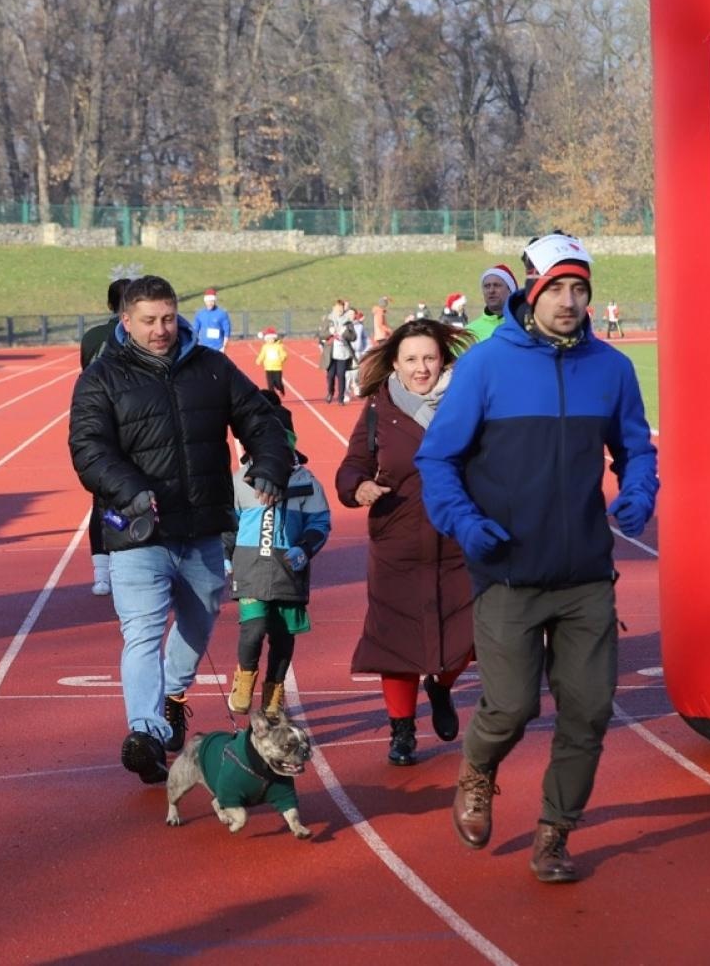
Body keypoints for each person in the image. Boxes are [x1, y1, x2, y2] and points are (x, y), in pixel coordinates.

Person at [416, 232, 658, 884]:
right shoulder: (486, 367)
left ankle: (554, 833)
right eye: (559, 289)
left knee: (588, 711)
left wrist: (638, 490)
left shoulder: (611, 370)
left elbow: (637, 449)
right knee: (512, 706)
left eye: (582, 290)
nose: (572, 302)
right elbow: (438, 460)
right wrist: (466, 524)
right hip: (507, 571)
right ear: (532, 287)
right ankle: (478, 770)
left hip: (585, 573)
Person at [69, 274, 289, 784]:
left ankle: (172, 693)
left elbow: (260, 419)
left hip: (203, 528)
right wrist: (131, 491)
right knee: (142, 632)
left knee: (201, 618)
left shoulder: (211, 369)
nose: (161, 330)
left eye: (167, 318)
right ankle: (145, 734)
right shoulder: (101, 379)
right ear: (126, 322)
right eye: (148, 321)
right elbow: (88, 448)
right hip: (138, 534)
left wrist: (270, 465)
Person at [335, 319, 476, 767]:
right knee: (396, 642)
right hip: (398, 541)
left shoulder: (471, 402)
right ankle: (401, 731)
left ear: (444, 359)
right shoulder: (379, 409)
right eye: (412, 359)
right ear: (395, 362)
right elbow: (352, 464)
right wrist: (356, 486)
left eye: (429, 358)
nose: (421, 368)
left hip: (459, 540)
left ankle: (442, 685)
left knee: (473, 633)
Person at [227, 392, 331, 716]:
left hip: (289, 566)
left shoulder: (307, 481)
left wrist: (306, 548)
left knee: (283, 637)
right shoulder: (239, 480)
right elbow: (226, 520)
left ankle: (274, 692)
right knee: (254, 629)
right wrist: (226, 555)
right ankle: (244, 679)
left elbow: (319, 521)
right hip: (251, 564)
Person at [79, 277, 132, 596]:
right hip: (133, 425)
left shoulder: (92, 337)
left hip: (99, 425)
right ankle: (131, 565)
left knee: (102, 498)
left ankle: (103, 572)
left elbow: (84, 378)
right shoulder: (141, 337)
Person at [465, 264, 518, 343]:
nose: (491, 290)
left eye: (497, 285)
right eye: (487, 286)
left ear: (510, 290)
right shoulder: (469, 332)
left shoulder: (522, 327)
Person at [322, 303, 354, 404]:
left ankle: (341, 398)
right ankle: (330, 392)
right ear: (334, 309)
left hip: (343, 353)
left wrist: (345, 333)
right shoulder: (328, 320)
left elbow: (353, 337)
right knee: (330, 375)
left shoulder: (347, 322)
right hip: (331, 353)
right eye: (337, 309)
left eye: (341, 309)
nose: (339, 311)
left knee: (341, 375)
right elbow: (322, 335)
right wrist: (330, 332)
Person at [192, 287, 232, 352]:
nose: (210, 303)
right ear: (205, 301)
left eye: (212, 301)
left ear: (215, 301)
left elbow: (227, 331)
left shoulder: (222, 313)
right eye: (208, 301)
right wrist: (196, 344)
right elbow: (195, 330)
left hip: (218, 348)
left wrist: (224, 347)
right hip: (203, 348)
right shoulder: (200, 314)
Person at [255, 327, 288, 396]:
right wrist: (259, 360)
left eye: (271, 339)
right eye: (268, 339)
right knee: (270, 385)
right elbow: (262, 354)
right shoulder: (265, 347)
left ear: (274, 339)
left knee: (278, 383)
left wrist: (282, 358)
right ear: (266, 339)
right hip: (268, 368)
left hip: (277, 368)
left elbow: (283, 354)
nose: (270, 340)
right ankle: (273, 398)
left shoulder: (279, 346)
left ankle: (281, 389)